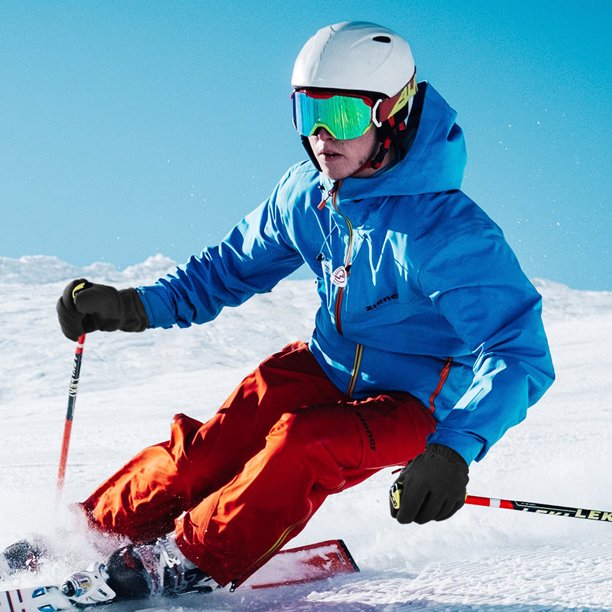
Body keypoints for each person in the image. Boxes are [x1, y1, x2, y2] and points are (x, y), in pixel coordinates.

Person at [47, 20, 553, 605]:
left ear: (392, 114)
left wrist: (452, 450)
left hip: (415, 404)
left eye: (340, 116)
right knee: (208, 453)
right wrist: (133, 305)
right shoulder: (307, 192)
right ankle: (90, 534)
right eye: (306, 112)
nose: (319, 137)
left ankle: (188, 560)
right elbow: (228, 268)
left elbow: (519, 355)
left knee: (303, 442)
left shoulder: (447, 235)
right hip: (324, 364)